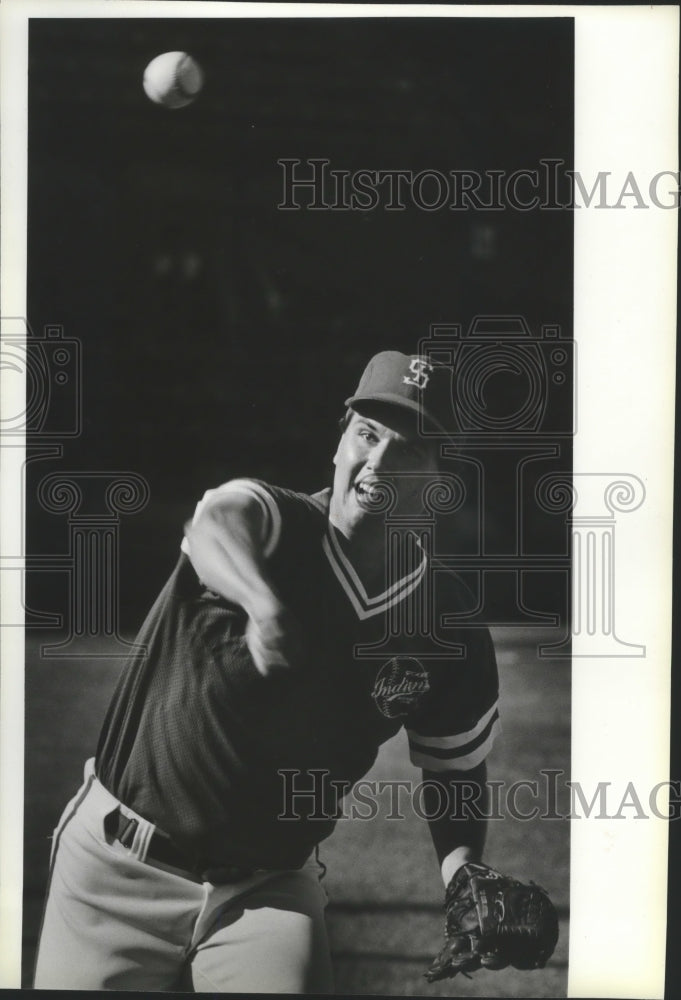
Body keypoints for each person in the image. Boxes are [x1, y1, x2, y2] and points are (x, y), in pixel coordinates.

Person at [34, 350, 503, 992]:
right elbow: (214, 520)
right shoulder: (277, 524)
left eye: (412, 449)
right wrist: (263, 604)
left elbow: (453, 768)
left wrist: (463, 873)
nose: (380, 463)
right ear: (340, 440)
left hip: (268, 891)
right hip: (116, 869)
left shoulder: (445, 622)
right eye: (368, 434)